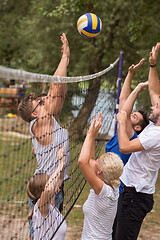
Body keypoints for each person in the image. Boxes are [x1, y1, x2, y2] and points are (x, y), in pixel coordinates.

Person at [18, 33, 70, 240]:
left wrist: (65, 60)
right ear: (33, 115)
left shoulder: (51, 120)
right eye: (39, 103)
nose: (44, 102)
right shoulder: (37, 125)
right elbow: (55, 88)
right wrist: (64, 58)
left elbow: (60, 92)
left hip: (55, 186)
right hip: (45, 189)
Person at [114, 43, 160, 240]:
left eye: (157, 106)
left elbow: (124, 147)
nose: (153, 105)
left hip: (135, 197)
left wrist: (123, 121)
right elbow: (154, 91)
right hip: (129, 191)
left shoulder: (155, 135)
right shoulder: (154, 126)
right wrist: (152, 66)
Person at [106, 59, 149, 193]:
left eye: (134, 116)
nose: (129, 114)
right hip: (107, 186)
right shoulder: (122, 131)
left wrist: (138, 88)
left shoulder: (131, 135)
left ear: (137, 128)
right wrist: (130, 74)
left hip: (116, 191)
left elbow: (125, 110)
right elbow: (123, 101)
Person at [78, 113, 123, 240]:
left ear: (100, 172)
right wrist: (93, 132)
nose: (96, 159)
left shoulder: (103, 191)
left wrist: (89, 134)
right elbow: (91, 160)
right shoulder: (111, 185)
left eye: (99, 160)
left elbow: (83, 161)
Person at [27, 145, 67, 240]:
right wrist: (60, 165)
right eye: (51, 182)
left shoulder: (51, 205)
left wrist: (61, 161)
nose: (55, 184)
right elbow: (48, 189)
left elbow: (60, 178)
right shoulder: (41, 209)